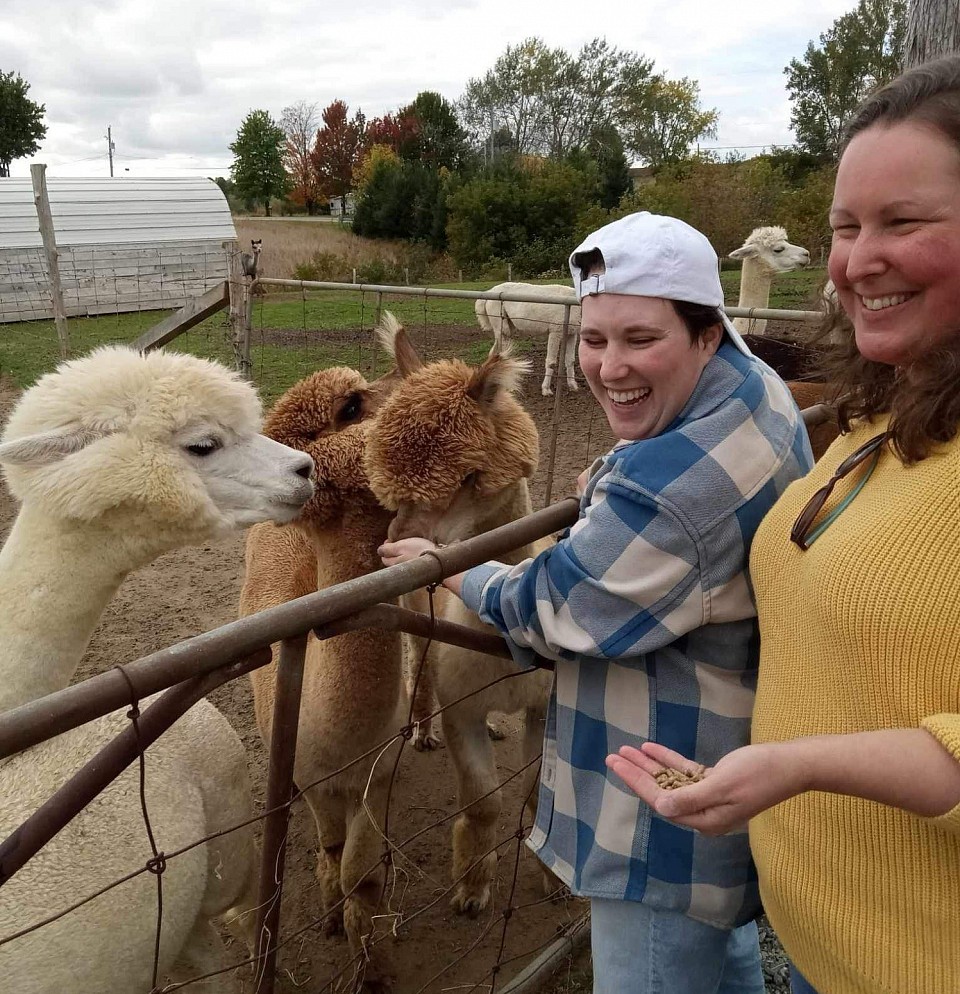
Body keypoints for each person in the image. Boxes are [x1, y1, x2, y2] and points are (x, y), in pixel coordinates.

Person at [380, 210, 813, 994]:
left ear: (706, 332)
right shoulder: (758, 390)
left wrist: (452, 570)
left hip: (658, 810)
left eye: (641, 339)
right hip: (730, 769)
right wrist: (615, 477)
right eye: (595, 337)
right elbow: (664, 468)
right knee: (729, 959)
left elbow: (555, 607)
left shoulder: (670, 493)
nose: (610, 366)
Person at [606, 57, 960, 994]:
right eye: (845, 227)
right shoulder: (881, 415)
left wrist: (792, 767)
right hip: (817, 938)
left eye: (903, 222)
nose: (855, 260)